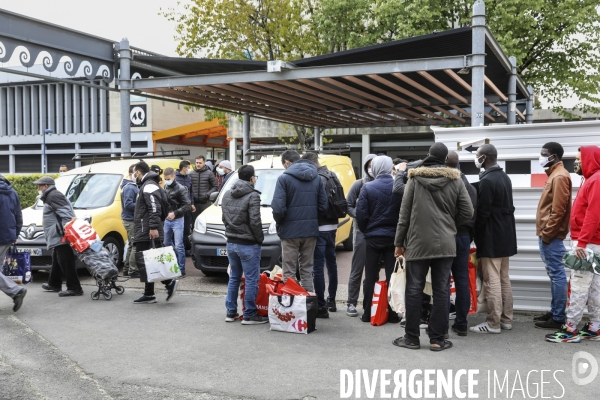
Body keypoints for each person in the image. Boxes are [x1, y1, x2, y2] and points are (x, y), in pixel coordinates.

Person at [393, 143, 473, 351]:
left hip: (417, 242)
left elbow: (404, 214)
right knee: (441, 289)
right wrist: (450, 224)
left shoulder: (414, 178)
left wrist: (399, 243)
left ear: (428, 156)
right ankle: (437, 339)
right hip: (446, 242)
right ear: (446, 159)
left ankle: (411, 337)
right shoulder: (455, 180)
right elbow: (468, 212)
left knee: (414, 288)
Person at [546, 146, 600, 342]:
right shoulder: (592, 179)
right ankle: (595, 326)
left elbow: (593, 215)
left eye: (579, 159)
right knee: (593, 287)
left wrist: (582, 243)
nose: (576, 163)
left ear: (590, 160)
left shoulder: (595, 180)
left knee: (578, 285)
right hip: (592, 243)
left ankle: (570, 330)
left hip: (587, 244)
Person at [470, 144, 517, 334]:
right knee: (504, 278)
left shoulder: (488, 180)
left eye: (477, 155)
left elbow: (483, 213)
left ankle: (493, 323)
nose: (476, 159)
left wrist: (475, 234)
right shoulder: (504, 177)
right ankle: (506, 319)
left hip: (491, 236)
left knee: (492, 280)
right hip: (506, 236)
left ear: (484, 158)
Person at [271, 150, 328, 292]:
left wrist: (281, 223)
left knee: (289, 271)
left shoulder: (283, 179)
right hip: (310, 231)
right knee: (307, 271)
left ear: (287, 162)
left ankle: (293, 309)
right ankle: (308, 308)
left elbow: (278, 209)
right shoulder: (316, 178)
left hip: (290, 232)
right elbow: (323, 206)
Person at [356, 155, 403, 324]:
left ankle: (368, 312)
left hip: (373, 238)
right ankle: (392, 313)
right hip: (394, 238)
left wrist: (366, 230)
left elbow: (361, 215)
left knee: (370, 275)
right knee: (393, 276)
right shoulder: (398, 186)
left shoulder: (367, 187)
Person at [222, 164, 268, 324]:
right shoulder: (253, 196)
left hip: (231, 242)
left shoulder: (227, 194)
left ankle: (230, 312)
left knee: (234, 278)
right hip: (248, 243)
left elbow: (224, 218)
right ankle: (249, 314)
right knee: (251, 279)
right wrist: (259, 238)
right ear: (251, 178)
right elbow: (255, 221)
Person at [534, 142, 572, 330]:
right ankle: (555, 311)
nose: (540, 157)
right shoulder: (555, 175)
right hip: (548, 235)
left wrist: (547, 234)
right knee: (554, 273)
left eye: (544, 154)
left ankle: (558, 317)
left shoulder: (559, 177)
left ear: (554, 156)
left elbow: (558, 210)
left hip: (551, 236)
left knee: (557, 275)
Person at [131, 161, 179, 304]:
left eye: (134, 173)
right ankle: (150, 293)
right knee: (149, 261)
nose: (133, 176)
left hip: (147, 229)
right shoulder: (148, 184)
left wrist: (152, 227)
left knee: (147, 261)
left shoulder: (149, 185)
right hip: (146, 228)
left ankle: (168, 283)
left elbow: (154, 207)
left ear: (138, 172)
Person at [302, 152, 342, 318]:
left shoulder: (317, 178)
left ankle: (320, 304)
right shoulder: (332, 175)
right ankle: (331, 300)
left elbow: (319, 204)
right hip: (333, 225)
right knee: (331, 262)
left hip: (321, 226)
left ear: (311, 163)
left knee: (318, 266)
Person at [445, 151, 478, 336]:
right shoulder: (471, 188)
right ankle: (461, 323)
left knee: (442, 279)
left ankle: (441, 323)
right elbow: (475, 215)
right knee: (462, 279)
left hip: (447, 235)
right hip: (464, 237)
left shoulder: (446, 185)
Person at [35, 176, 83, 297]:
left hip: (61, 235)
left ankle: (75, 288)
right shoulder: (51, 195)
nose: (38, 188)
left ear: (46, 186)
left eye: (40, 185)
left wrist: (64, 232)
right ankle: (54, 283)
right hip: (58, 235)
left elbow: (67, 215)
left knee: (66, 261)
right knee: (57, 259)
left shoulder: (53, 195)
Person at [345, 154, 376, 317]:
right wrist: (359, 215)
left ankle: (371, 303)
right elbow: (347, 205)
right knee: (357, 269)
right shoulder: (359, 184)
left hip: (378, 234)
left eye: (374, 164)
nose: (372, 168)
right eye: (369, 165)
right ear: (365, 166)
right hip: (361, 233)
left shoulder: (383, 184)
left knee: (374, 272)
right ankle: (351, 302)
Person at [0, 174, 26, 312]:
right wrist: (15, 234)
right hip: (8, 237)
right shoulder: (13, 193)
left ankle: (16, 291)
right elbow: (18, 215)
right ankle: (15, 292)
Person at [163, 167, 191, 278]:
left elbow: (187, 205)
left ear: (174, 176)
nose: (166, 180)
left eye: (168, 178)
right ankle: (174, 263)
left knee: (179, 245)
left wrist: (175, 213)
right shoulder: (166, 186)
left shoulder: (181, 188)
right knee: (166, 243)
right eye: (165, 179)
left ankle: (181, 269)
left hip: (177, 218)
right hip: (168, 218)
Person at [121, 164, 140, 278]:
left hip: (129, 219)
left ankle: (127, 269)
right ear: (130, 173)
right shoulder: (129, 187)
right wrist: (140, 205)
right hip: (131, 220)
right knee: (135, 245)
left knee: (131, 245)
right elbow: (128, 204)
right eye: (136, 173)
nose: (137, 175)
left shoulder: (131, 186)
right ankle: (133, 271)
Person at [189, 155, 218, 224]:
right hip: (194, 203)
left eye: (200, 163)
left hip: (205, 203)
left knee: (204, 222)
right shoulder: (191, 173)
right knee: (194, 223)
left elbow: (215, 187)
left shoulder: (209, 173)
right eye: (197, 162)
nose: (198, 164)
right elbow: (189, 188)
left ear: (204, 163)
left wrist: (207, 195)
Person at [175, 160, 194, 256]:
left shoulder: (189, 178)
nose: (189, 169)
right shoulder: (175, 178)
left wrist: (192, 204)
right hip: (178, 208)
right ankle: (178, 249)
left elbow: (191, 192)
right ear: (184, 168)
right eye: (188, 167)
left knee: (187, 229)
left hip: (187, 208)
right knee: (179, 229)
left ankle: (185, 248)